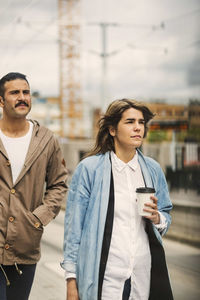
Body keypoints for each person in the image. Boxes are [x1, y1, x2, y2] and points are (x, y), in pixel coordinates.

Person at [61, 98, 174, 300]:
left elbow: (165, 213)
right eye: (130, 122)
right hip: (105, 277)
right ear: (112, 130)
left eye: (141, 122)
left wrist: (157, 217)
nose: (138, 128)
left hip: (143, 274)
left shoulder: (152, 169)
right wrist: (71, 281)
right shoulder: (89, 169)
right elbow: (73, 231)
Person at [0, 72, 68, 300]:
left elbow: (59, 183)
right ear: (1, 101)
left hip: (25, 247)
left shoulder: (47, 140)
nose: (22, 97)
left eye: (26, 92)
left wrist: (38, 218)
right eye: (14, 93)